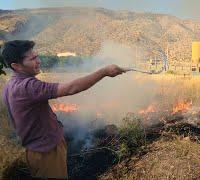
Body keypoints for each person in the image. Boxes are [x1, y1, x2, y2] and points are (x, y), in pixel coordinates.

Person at [1, 40, 125, 179]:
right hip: (47, 152)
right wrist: (104, 72)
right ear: (16, 66)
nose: (39, 61)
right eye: (33, 59)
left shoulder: (10, 85)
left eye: (37, 56)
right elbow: (71, 88)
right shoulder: (28, 86)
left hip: (35, 151)